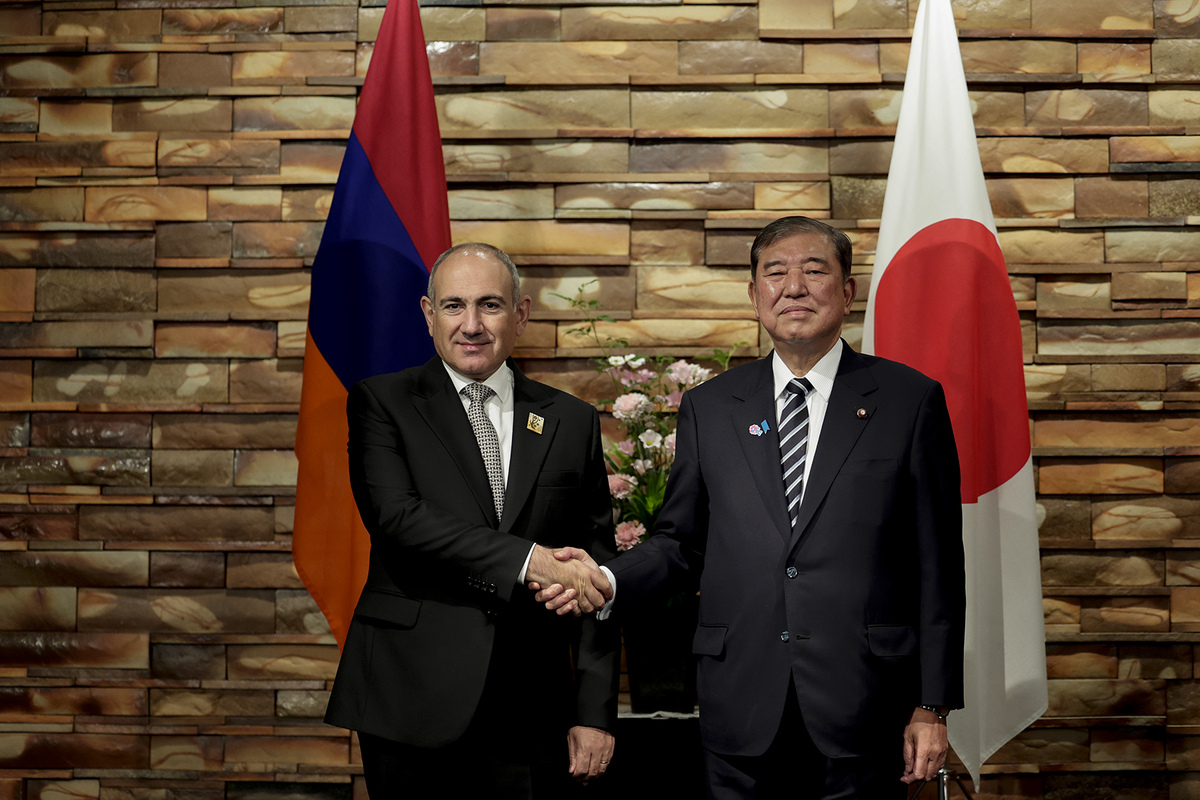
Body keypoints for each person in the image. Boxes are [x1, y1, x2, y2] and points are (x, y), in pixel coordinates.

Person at [541, 216, 965, 799]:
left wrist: (932, 705)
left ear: (847, 291)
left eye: (814, 271)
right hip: (739, 703)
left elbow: (938, 565)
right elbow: (680, 542)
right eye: (775, 273)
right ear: (754, 293)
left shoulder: (908, 400)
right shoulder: (711, 406)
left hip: (865, 704)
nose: (794, 287)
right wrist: (607, 579)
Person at [325, 242, 619, 799]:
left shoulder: (571, 419)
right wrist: (530, 562)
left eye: (490, 304)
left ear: (521, 314)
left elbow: (596, 571)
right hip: (411, 694)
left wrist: (595, 711)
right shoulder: (382, 402)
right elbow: (397, 518)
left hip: (533, 706)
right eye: (454, 305)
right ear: (428, 314)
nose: (472, 325)